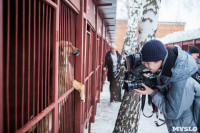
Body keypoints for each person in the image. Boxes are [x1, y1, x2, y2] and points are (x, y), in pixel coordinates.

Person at [134, 40, 200, 133]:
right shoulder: (170, 67)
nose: (146, 66)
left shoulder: (179, 78)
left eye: (148, 63)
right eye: (144, 62)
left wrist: (152, 93)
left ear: (159, 60)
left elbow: (172, 113)